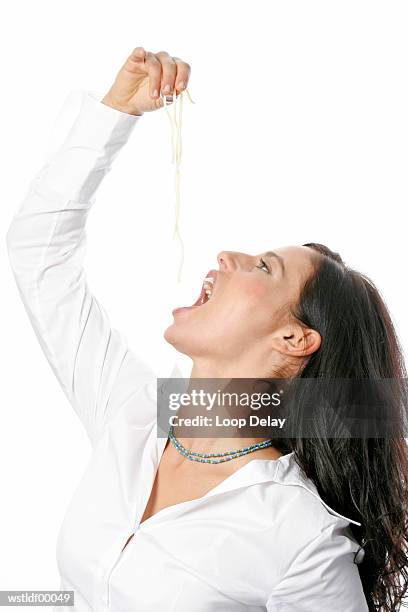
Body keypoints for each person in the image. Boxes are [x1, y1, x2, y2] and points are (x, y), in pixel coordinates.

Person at [6, 45, 408, 612]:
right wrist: (116, 113)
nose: (228, 256)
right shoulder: (135, 417)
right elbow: (38, 255)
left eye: (265, 267)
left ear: (293, 340)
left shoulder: (301, 538)